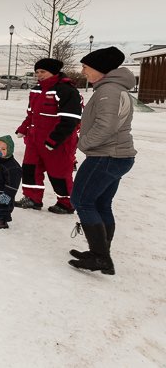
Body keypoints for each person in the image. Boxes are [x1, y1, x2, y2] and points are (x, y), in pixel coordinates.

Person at [68, 47, 135, 275]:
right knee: (100, 204)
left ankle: (100, 256)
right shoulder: (115, 89)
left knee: (82, 200)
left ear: (100, 69)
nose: (83, 71)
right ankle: (101, 253)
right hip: (117, 156)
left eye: (86, 67)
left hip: (106, 155)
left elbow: (106, 126)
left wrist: (83, 143)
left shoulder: (109, 91)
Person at [14, 58, 82, 214]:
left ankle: (66, 203)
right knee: (30, 169)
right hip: (34, 140)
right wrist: (23, 129)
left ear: (54, 72)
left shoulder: (66, 91)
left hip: (57, 142)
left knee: (59, 173)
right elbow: (31, 114)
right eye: (37, 72)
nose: (39, 75)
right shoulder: (36, 90)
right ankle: (32, 198)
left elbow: (70, 120)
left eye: (42, 72)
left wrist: (54, 140)